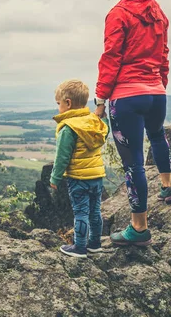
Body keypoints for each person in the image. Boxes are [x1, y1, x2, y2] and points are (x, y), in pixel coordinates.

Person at [94, 0, 171, 247]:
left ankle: (138, 228)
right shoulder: (158, 12)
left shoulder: (118, 14)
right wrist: (160, 83)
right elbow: (163, 53)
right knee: (158, 136)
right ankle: (167, 187)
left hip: (128, 97)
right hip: (156, 92)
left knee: (134, 164)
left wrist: (101, 97)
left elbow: (111, 57)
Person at [50, 79, 109, 258]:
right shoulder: (93, 121)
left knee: (81, 211)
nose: (58, 107)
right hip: (97, 176)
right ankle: (95, 244)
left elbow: (62, 157)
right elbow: (104, 132)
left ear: (68, 104)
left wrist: (55, 178)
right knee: (95, 210)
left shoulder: (68, 128)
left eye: (59, 103)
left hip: (78, 178)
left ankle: (79, 247)